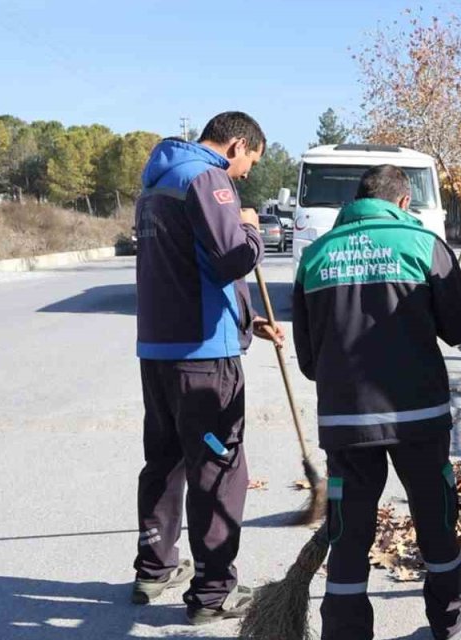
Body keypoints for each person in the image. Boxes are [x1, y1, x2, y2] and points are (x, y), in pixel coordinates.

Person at [292, 165, 461, 640]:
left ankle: (344, 633)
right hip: (418, 418)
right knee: (436, 520)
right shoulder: (423, 246)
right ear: (402, 202)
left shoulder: (315, 255)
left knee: (349, 533)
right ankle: (451, 622)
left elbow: (309, 360)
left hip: (346, 422)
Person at [132, 111, 284, 625]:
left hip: (158, 351)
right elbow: (232, 258)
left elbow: (189, 267)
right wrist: (252, 228)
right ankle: (214, 591)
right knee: (218, 470)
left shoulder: (157, 182)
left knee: (165, 460)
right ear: (236, 144)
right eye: (249, 162)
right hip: (202, 359)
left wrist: (246, 319)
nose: (245, 173)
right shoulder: (208, 177)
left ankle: (155, 567)